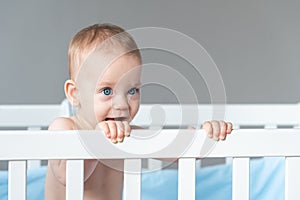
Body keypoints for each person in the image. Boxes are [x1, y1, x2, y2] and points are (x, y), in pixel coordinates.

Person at [44, 23, 233, 200]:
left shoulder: (129, 133)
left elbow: (180, 151)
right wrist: (96, 141)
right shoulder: (64, 127)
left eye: (132, 91)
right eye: (107, 91)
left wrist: (207, 133)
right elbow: (67, 177)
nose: (122, 104)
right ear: (74, 93)